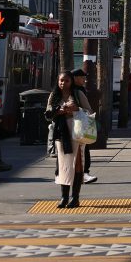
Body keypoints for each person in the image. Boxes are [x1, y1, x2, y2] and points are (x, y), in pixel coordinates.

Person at [45, 71, 92, 208]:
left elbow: (89, 111)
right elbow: (47, 113)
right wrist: (56, 111)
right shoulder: (54, 95)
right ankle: (64, 197)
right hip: (61, 133)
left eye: (66, 81)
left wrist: (76, 109)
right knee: (63, 165)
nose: (63, 83)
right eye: (60, 81)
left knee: (76, 166)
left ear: (71, 81)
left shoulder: (78, 94)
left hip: (76, 132)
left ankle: (75, 198)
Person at [71, 68, 98, 184]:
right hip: (78, 125)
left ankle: (79, 173)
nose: (84, 80)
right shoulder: (78, 91)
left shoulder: (77, 90)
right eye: (82, 77)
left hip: (72, 124)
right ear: (75, 79)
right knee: (83, 149)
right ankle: (84, 173)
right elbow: (87, 109)